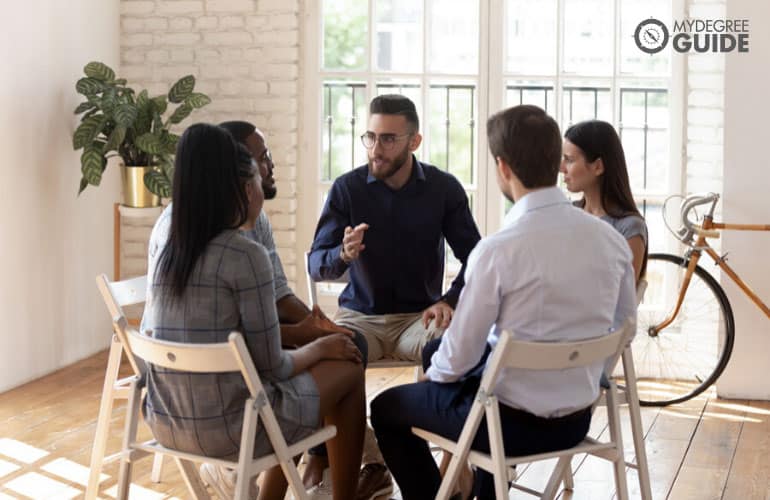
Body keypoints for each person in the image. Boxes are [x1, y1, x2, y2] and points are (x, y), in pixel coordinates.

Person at [370, 105, 637, 500]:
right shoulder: (610, 241)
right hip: (577, 420)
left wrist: (434, 378)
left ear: (503, 168)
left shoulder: (497, 252)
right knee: (453, 364)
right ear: (554, 162)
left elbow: (458, 358)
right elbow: (624, 325)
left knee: (388, 406)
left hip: (504, 429)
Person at [143, 123, 366, 500]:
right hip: (235, 429)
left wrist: (312, 334)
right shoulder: (245, 255)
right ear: (246, 189)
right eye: (259, 175)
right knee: (347, 368)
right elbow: (273, 368)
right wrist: (321, 347)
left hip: (165, 421)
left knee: (306, 372)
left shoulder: (170, 250)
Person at [307, 94, 482, 499]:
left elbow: (477, 260)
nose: (375, 148)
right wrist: (343, 254)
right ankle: (331, 457)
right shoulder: (347, 188)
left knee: (450, 347)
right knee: (336, 353)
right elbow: (317, 263)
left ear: (414, 141)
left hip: (417, 318)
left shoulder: (443, 189)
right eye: (370, 136)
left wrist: (450, 301)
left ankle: (451, 465)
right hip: (359, 316)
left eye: (387, 139)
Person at [561, 119, 648, 281]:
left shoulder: (629, 228)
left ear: (598, 167)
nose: (561, 168)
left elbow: (623, 297)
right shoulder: (568, 214)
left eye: (569, 160)